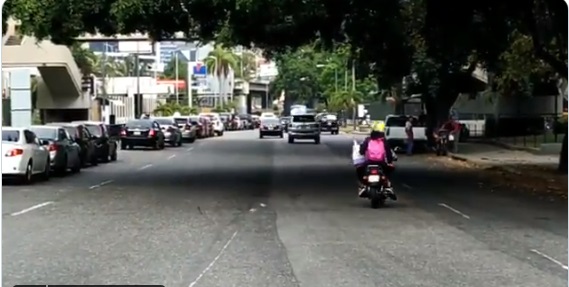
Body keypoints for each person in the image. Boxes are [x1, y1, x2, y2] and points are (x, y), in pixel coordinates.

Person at [356, 122, 397, 200]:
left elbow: (361, 151)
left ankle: (363, 186)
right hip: (381, 162)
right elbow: (388, 153)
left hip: (369, 162)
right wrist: (390, 161)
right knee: (389, 170)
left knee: (359, 170)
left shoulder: (367, 140)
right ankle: (388, 187)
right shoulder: (383, 141)